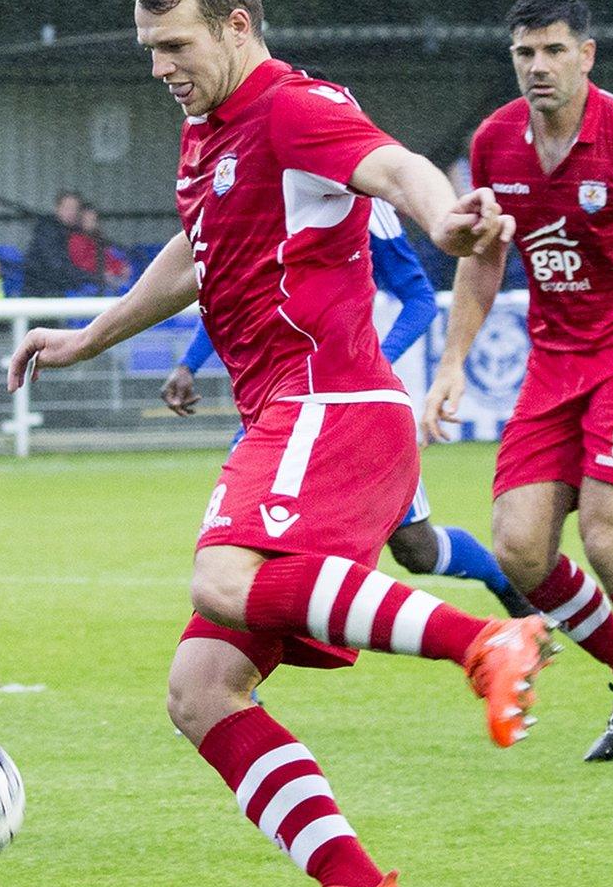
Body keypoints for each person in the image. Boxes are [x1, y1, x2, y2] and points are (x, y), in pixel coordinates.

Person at [12, 0, 550, 887]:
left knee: (223, 577)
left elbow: (392, 167)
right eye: (147, 47)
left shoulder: (289, 107)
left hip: (329, 403)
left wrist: (444, 219)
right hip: (292, 413)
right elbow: (194, 251)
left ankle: (483, 640)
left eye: (173, 42)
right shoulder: (207, 133)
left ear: (235, 25)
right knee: (200, 692)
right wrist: (88, 336)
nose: (159, 64)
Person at [425, 0, 613, 768]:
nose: (537, 67)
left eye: (552, 51)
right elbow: (484, 260)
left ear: (586, 54)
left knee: (610, 534)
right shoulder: (494, 143)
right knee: (517, 549)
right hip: (554, 359)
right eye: (524, 53)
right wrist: (452, 366)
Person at [164, 199, 533, 618]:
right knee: (240, 548)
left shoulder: (361, 200)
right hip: (278, 405)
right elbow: (233, 296)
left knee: (417, 549)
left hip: (352, 407)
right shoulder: (257, 201)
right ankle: (219, 682)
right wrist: (187, 363)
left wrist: (372, 361)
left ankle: (506, 586)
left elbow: (419, 298)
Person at [22, 190, 85, 296]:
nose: (72, 212)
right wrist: (93, 278)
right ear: (57, 209)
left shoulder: (76, 233)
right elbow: (56, 266)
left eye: (75, 208)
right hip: (42, 293)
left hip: (58, 290)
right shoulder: (47, 232)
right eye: (67, 207)